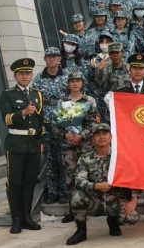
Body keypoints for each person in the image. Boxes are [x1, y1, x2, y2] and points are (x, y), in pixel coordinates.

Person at [66, 124, 140, 245]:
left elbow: (134, 178)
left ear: (111, 137)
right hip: (95, 199)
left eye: (105, 133)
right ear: (92, 139)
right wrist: (97, 186)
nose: (101, 137)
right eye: (98, 134)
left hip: (115, 199)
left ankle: (113, 221)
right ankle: (81, 231)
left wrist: (134, 200)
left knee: (132, 217)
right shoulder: (85, 158)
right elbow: (79, 181)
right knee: (76, 197)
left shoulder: (121, 157)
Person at [114, 53, 144, 224]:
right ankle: (130, 206)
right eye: (135, 67)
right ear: (129, 69)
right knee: (131, 172)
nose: (138, 71)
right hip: (129, 141)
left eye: (141, 68)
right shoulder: (121, 92)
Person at [0, 58, 44, 234]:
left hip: (33, 144)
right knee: (15, 182)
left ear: (32, 75)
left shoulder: (37, 94)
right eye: (21, 73)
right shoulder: (8, 95)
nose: (25, 76)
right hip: (16, 144)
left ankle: (27, 216)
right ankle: (16, 219)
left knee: (30, 182)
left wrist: (41, 141)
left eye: (28, 73)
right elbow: (6, 119)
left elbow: (41, 120)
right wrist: (23, 112)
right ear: (15, 76)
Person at [53, 72, 98, 223]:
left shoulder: (89, 101)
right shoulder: (62, 102)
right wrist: (66, 134)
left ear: (82, 83)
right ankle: (73, 210)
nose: (75, 84)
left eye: (78, 81)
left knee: (87, 176)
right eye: (72, 81)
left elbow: (94, 123)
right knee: (70, 178)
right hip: (68, 146)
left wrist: (81, 135)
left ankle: (89, 208)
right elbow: (55, 125)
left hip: (85, 145)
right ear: (68, 84)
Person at [31, 47, 69, 206]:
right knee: (50, 158)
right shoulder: (38, 79)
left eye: (54, 56)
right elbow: (34, 101)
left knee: (63, 157)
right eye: (49, 57)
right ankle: (53, 192)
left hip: (63, 122)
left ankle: (64, 192)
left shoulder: (67, 76)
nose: (52, 59)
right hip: (45, 121)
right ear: (45, 59)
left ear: (59, 58)